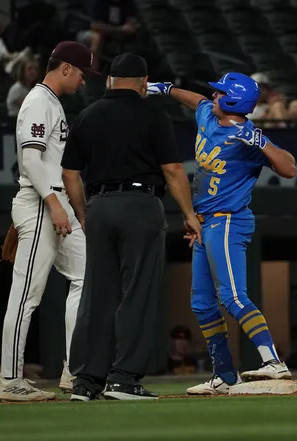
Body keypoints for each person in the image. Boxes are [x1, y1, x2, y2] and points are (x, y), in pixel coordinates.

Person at [61, 53, 201, 402]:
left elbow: (69, 174)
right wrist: (189, 213)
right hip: (140, 206)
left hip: (99, 206)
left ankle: (86, 381)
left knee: (96, 293)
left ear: (109, 81)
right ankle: (123, 379)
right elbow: (172, 171)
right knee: (136, 292)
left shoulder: (87, 115)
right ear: (143, 82)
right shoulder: (153, 114)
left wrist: (82, 212)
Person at [147, 72, 297, 395]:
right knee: (201, 302)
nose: (213, 96)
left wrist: (263, 143)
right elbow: (197, 101)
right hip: (205, 222)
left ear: (232, 100)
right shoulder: (209, 115)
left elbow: (289, 168)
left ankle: (273, 361)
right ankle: (226, 376)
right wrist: (168, 89)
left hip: (229, 221)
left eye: (220, 93)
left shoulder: (247, 136)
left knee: (232, 295)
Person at [0, 41, 97, 402]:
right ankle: (10, 379)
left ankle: (74, 370)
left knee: (87, 276)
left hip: (56, 201)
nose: (84, 81)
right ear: (66, 68)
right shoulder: (39, 100)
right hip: (42, 201)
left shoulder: (52, 102)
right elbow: (32, 160)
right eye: (82, 73)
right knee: (26, 295)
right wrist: (53, 204)